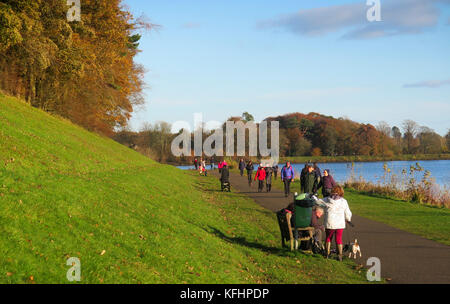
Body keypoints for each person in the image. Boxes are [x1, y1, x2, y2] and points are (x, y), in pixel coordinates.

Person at [312, 186, 352, 261]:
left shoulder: (327, 199)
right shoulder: (344, 201)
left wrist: (313, 197)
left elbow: (317, 202)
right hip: (340, 223)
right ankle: (339, 256)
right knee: (339, 239)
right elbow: (347, 212)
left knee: (328, 238)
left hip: (330, 222)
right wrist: (348, 219)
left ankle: (327, 254)